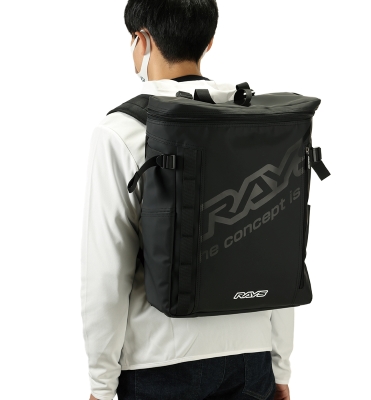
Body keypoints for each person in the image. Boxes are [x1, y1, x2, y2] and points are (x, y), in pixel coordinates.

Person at [81, 1, 293, 399]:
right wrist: (279, 364)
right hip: (252, 358)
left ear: (141, 40)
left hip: (159, 361)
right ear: (209, 42)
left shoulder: (121, 131)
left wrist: (101, 382)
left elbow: (106, 270)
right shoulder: (256, 120)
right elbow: (276, 251)